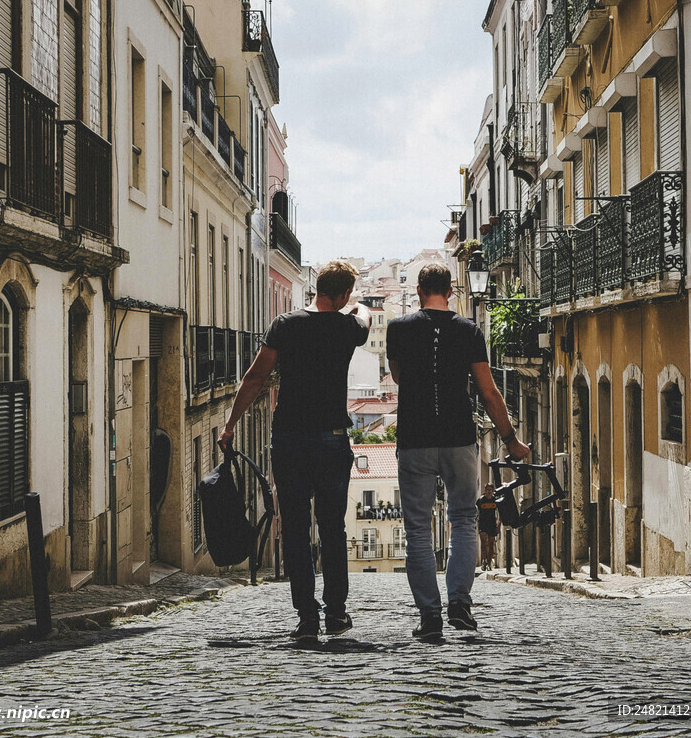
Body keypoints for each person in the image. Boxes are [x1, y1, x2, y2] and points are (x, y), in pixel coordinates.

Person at [218, 260, 370, 642]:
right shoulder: (347, 325)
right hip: (332, 439)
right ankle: (336, 613)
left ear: (316, 289)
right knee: (333, 528)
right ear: (342, 295)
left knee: (296, 530)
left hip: (289, 438)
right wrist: (356, 306)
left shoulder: (285, 325)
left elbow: (254, 378)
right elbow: (365, 317)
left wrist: (231, 424)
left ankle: (306, 618)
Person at [387, 263, 530, 640]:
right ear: (450, 292)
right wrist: (511, 439)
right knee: (464, 520)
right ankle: (460, 604)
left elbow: (399, 376)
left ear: (419, 290)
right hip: (459, 438)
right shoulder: (469, 331)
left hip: (415, 439)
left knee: (418, 530)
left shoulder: (398, 328)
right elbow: (488, 391)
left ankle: (430, 616)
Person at [476, 483, 500, 570]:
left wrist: (499, 525)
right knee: (483, 542)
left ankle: (489, 562)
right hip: (483, 523)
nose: (488, 492)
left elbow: (499, 513)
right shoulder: (481, 500)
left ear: (493, 491)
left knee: (491, 543)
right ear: (485, 490)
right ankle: (484, 560)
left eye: (490, 490)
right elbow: (476, 512)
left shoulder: (496, 500)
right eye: (487, 490)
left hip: (492, 523)